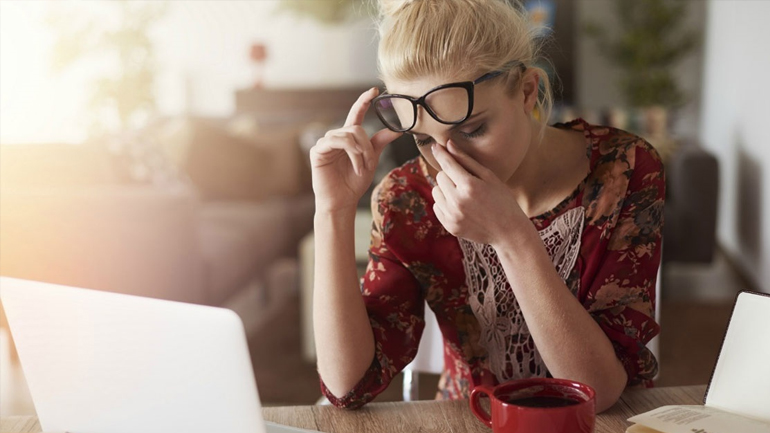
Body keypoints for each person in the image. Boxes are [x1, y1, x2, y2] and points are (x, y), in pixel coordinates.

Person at [309, 0, 664, 413]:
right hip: (469, 419)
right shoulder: (408, 199)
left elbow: (598, 393)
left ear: (528, 90)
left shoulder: (623, 169)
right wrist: (332, 211)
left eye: (473, 129)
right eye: (424, 140)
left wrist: (512, 236)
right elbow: (348, 386)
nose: (449, 159)